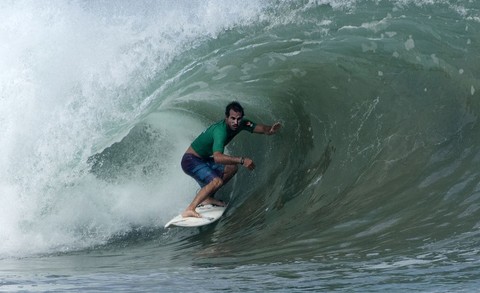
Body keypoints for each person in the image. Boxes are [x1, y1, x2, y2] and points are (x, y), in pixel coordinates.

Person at [180, 101, 281, 218]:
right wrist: (242, 160)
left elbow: (260, 128)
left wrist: (270, 130)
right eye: (232, 118)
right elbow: (217, 157)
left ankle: (207, 197)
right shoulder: (220, 131)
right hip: (190, 161)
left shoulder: (243, 123)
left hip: (203, 159)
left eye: (238, 119)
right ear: (226, 117)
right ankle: (190, 209)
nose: (235, 122)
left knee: (232, 168)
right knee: (216, 181)